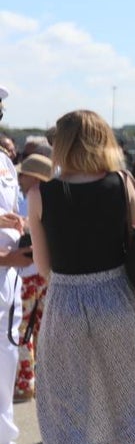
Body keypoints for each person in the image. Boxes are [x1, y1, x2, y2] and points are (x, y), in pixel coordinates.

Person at [28, 110, 135, 444]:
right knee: (130, 407)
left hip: (67, 300)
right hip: (117, 296)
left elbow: (42, 265)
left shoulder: (40, 194)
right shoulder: (122, 183)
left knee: (65, 411)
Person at [0, 85, 49, 444]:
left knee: (5, 364)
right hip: (4, 268)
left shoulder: (3, 160)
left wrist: (8, 222)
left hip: (9, 283)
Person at [13, 154, 52, 401]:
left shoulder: (26, 200)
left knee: (22, 331)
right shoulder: (51, 198)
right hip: (45, 274)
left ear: (31, 176)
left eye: (23, 173)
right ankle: (44, 382)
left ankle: (25, 383)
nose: (19, 177)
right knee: (43, 330)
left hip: (26, 274)